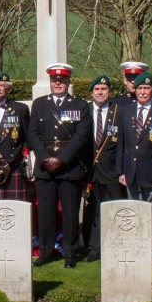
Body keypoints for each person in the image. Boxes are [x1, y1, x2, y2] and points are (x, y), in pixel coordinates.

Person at [27, 63, 92, 268]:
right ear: (50, 82)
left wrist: (61, 159)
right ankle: (46, 252)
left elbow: (82, 136)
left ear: (68, 81)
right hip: (45, 168)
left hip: (69, 167)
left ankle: (70, 254)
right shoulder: (39, 104)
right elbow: (33, 134)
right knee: (46, 213)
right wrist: (46, 158)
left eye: (62, 79)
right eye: (54, 80)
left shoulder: (80, 105)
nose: (58, 83)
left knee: (71, 214)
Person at [115, 71, 152, 267]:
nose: (142, 92)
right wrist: (121, 171)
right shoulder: (126, 111)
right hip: (131, 172)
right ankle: (136, 250)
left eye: (146, 88)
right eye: (139, 88)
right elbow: (121, 144)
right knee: (134, 215)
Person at [82, 75, 124, 262]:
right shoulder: (85, 110)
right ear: (91, 92)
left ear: (110, 92)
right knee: (91, 212)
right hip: (89, 172)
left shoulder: (119, 112)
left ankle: (114, 246)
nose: (100, 92)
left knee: (113, 210)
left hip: (112, 171)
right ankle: (92, 248)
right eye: (97, 89)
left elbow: (124, 144)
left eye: (104, 89)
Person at [0, 71, 31, 202]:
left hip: (13, 164)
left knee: (16, 206)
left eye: (2, 85)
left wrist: (22, 157)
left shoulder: (20, 109)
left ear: (8, 88)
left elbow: (28, 137)